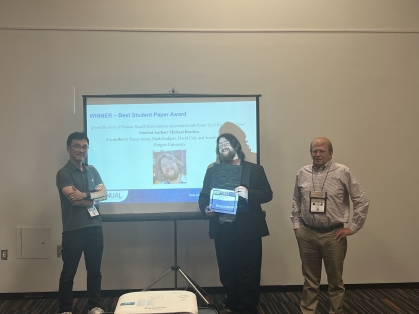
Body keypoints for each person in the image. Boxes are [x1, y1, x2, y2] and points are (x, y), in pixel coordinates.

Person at [291, 137, 370, 314]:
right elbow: (296, 200)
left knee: (335, 281)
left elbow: (362, 200)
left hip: (333, 235)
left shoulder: (342, 171)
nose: (318, 154)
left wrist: (353, 227)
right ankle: (307, 311)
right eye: (314, 151)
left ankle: (336, 311)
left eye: (322, 151)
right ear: (310, 152)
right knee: (310, 280)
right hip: (307, 233)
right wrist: (297, 226)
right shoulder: (302, 172)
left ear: (330, 153)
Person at [198, 133, 273, 314]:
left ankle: (248, 307)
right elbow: (203, 197)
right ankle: (231, 304)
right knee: (227, 272)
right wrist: (206, 210)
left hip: (247, 231)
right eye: (220, 143)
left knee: (248, 273)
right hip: (222, 230)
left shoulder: (254, 170)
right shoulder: (212, 171)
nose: (223, 145)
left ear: (236, 146)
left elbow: (267, 193)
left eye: (227, 142)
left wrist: (249, 194)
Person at [56, 132, 108, 314]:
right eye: (77, 146)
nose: (81, 150)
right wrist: (93, 197)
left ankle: (94, 306)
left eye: (84, 146)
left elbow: (104, 194)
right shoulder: (63, 173)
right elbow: (73, 200)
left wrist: (85, 195)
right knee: (68, 273)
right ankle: (65, 309)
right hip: (74, 230)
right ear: (68, 148)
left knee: (95, 271)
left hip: (95, 228)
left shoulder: (92, 170)